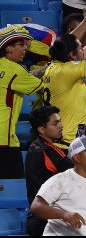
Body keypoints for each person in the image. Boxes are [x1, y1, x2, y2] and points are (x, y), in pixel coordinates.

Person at [0, 29, 43, 178]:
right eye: (20, 44)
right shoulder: (15, 70)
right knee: (12, 190)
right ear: (7, 48)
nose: (25, 48)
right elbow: (44, 89)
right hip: (4, 143)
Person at [25, 106, 72, 236]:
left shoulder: (44, 147)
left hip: (50, 217)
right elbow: (76, 170)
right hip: (46, 221)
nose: (61, 126)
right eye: (55, 123)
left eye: (60, 121)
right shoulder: (42, 151)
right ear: (41, 129)